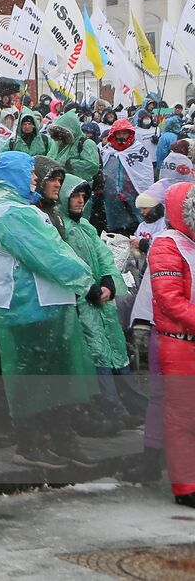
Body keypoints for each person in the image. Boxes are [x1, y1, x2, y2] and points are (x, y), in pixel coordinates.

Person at [0, 151, 99, 469]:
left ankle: (59, 439)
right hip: (24, 308)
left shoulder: (21, 209)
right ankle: (30, 444)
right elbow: (47, 254)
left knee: (56, 379)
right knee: (30, 381)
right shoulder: (9, 213)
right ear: (12, 174)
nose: (35, 177)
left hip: (47, 305)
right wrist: (86, 282)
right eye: (29, 171)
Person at [58, 175, 141, 435]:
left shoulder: (85, 227)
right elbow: (66, 264)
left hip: (100, 299)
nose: (81, 201)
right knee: (98, 351)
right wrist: (90, 289)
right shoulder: (61, 229)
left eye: (83, 196)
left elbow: (104, 256)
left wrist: (108, 282)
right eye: (75, 196)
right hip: (85, 301)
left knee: (114, 347)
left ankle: (125, 405)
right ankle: (111, 407)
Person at [147, 181, 195, 508]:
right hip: (178, 344)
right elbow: (170, 301)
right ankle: (186, 487)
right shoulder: (166, 245)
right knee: (182, 418)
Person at [102, 120, 148, 235]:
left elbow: (144, 173)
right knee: (116, 225)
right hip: (112, 195)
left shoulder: (138, 149)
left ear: (130, 134)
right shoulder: (108, 150)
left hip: (133, 193)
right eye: (119, 133)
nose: (122, 136)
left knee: (136, 222)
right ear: (114, 134)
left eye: (124, 133)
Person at [48, 110, 100, 182]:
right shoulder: (57, 143)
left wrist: (70, 163)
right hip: (58, 183)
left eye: (62, 132)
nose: (60, 135)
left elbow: (92, 166)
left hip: (78, 187)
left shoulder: (86, 143)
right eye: (58, 132)